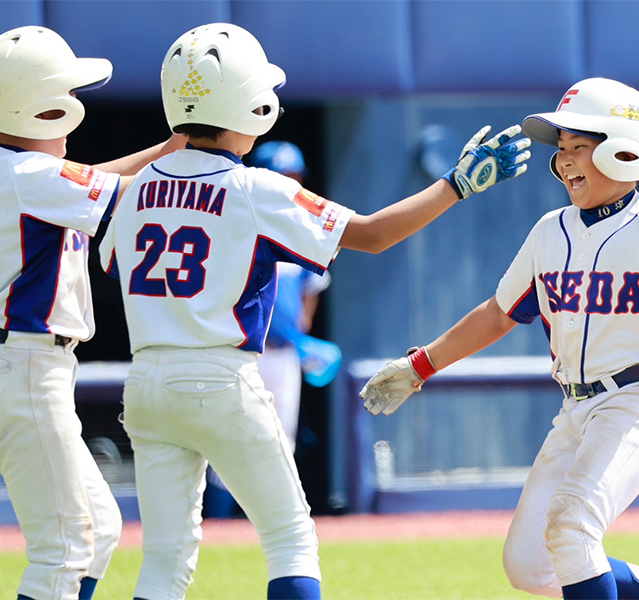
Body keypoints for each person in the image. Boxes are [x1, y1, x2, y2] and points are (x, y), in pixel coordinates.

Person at [97, 22, 530, 600]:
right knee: (290, 540)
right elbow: (372, 235)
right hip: (220, 375)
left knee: (163, 562)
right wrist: (455, 185)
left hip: (146, 380)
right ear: (248, 102)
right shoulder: (255, 187)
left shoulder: (128, 186)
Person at [360, 77, 639, 600]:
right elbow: (497, 315)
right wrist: (420, 366)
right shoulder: (550, 230)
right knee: (529, 566)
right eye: (561, 149)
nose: (564, 160)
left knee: (572, 527)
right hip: (575, 409)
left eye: (579, 146)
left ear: (624, 150)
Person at [0, 26, 185, 600]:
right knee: (62, 551)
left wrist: (170, 146)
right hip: (19, 365)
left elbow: (91, 181)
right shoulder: (29, 175)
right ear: (39, 105)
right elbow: (123, 193)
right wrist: (195, 148)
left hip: (0, 362)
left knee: (98, 528)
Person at [204, 141, 340, 518]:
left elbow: (313, 286)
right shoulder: (236, 222)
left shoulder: (300, 228)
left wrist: (302, 328)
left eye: (294, 176)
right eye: (284, 176)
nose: (291, 183)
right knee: (228, 439)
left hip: (281, 354)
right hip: (238, 351)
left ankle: (273, 519)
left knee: (281, 440)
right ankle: (220, 521)